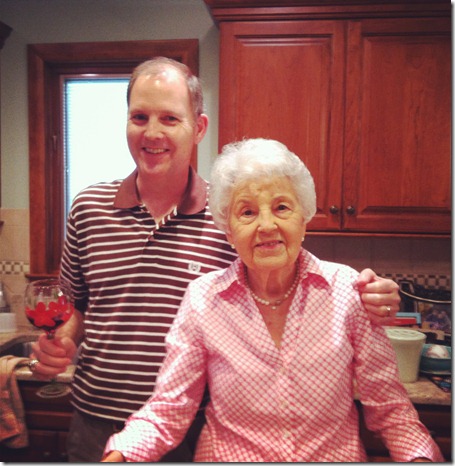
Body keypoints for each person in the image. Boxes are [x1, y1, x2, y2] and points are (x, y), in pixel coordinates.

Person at [29, 58, 401, 462]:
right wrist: (62, 340)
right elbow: (77, 308)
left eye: (170, 118)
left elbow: (289, 275)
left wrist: (369, 294)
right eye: (139, 117)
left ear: (199, 128)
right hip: (94, 419)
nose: (152, 133)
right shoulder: (88, 208)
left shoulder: (231, 214)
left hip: (192, 427)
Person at [101, 138, 443, 463]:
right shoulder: (203, 300)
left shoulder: (348, 292)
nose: (267, 225)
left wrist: (419, 457)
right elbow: (169, 410)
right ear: (228, 230)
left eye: (281, 207)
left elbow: (391, 411)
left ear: (303, 217)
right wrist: (120, 455)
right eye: (247, 212)